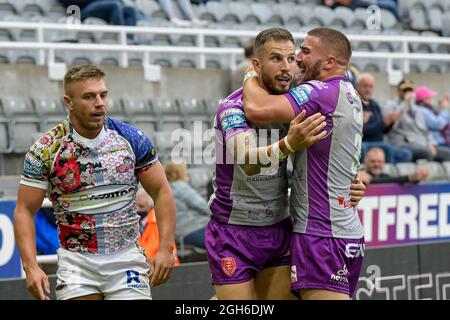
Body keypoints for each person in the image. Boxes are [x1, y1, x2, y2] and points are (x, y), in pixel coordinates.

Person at [207, 28, 366, 300]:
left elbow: (323, 150)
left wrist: (347, 183)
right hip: (233, 230)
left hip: (278, 227)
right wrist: (288, 144)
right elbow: (248, 161)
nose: (287, 67)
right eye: (276, 59)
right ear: (256, 64)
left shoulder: (293, 102)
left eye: (291, 58)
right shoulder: (232, 107)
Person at [14, 65, 176, 300]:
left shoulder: (131, 139)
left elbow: (161, 191)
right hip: (78, 263)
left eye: (103, 94)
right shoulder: (46, 150)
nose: (99, 103)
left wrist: (166, 248)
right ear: (68, 102)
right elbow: (24, 210)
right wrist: (31, 266)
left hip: (126, 259)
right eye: (89, 97)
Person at [385, 79, 450, 162]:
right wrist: (405, 103)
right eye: (405, 90)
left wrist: (430, 143)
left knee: (447, 153)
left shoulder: (416, 109)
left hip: (421, 143)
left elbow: (424, 130)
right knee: (426, 153)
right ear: (399, 91)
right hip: (403, 143)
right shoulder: (391, 106)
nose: (407, 92)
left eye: (410, 90)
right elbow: (393, 125)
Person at [356, 72, 412, 163]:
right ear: (357, 86)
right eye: (365, 86)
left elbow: (383, 130)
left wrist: (390, 122)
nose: (368, 89)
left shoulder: (374, 105)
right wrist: (383, 123)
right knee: (386, 148)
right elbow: (360, 131)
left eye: (371, 86)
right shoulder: (354, 104)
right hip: (363, 143)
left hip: (379, 142)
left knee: (406, 154)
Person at [164, 162, 209, 249]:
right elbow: (203, 206)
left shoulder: (166, 189)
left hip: (180, 235)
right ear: (181, 172)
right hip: (193, 230)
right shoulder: (179, 186)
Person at [136, 188, 180, 265]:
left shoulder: (158, 223)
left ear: (150, 206)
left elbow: (150, 251)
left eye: (141, 206)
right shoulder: (140, 222)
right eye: (135, 206)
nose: (137, 209)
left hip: (162, 269)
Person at [359, 147, 429, 185]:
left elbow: (393, 180)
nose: (377, 164)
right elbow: (376, 182)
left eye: (380, 162)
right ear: (365, 161)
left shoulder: (383, 176)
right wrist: (410, 177)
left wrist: (416, 179)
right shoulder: (360, 174)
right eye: (373, 161)